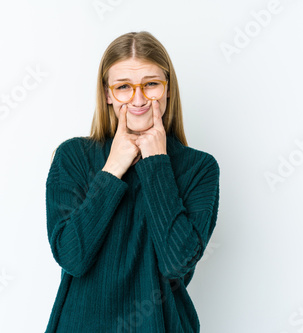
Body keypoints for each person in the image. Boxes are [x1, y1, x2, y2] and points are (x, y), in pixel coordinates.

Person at [44, 31, 220, 333]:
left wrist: (156, 164)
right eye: (124, 86)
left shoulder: (199, 168)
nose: (138, 99)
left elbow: (177, 264)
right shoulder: (72, 156)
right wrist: (113, 168)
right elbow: (72, 257)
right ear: (108, 94)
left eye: (151, 84)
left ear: (167, 90)